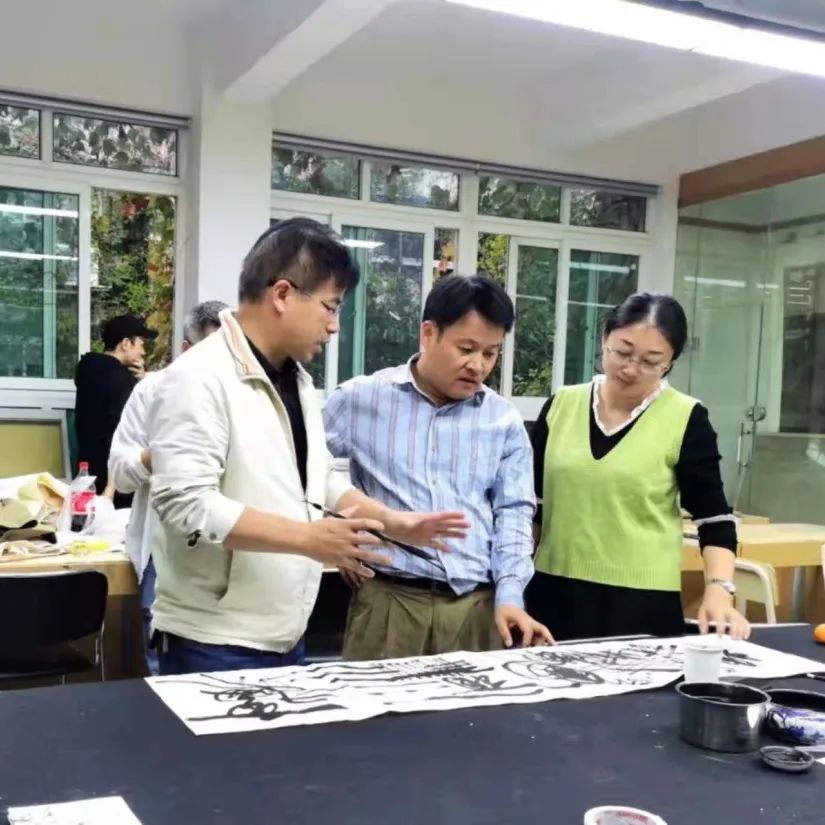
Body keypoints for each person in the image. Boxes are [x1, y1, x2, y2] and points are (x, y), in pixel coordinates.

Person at [147, 218, 468, 675]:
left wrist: (394, 522)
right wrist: (309, 538)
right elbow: (187, 504)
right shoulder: (198, 378)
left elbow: (318, 476)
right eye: (330, 307)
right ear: (282, 294)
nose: (334, 327)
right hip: (215, 639)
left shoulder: (294, 378)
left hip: (285, 631)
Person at [324, 274, 552, 660]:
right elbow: (296, 468)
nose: (477, 366)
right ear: (428, 333)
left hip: (477, 607)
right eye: (466, 348)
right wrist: (337, 533)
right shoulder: (360, 400)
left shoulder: (502, 420)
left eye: (490, 353)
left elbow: (513, 513)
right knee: (376, 701)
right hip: (390, 602)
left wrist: (511, 596)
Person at [526, 292, 750, 642]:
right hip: (553, 594)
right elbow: (533, 507)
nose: (630, 369)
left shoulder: (685, 417)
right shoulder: (561, 405)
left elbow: (714, 521)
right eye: (622, 352)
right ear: (604, 339)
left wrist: (718, 591)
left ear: (670, 362)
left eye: (650, 361)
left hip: (641, 603)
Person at [108, 300, 228, 675]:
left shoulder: (248, 394)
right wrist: (156, 455)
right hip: (165, 556)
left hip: (231, 557)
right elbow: (120, 474)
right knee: (165, 679)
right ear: (187, 350)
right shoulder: (152, 392)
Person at [74, 314, 157, 507]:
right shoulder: (121, 380)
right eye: (141, 344)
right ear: (126, 343)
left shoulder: (87, 369)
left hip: (87, 471)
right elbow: (118, 432)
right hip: (115, 481)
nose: (143, 352)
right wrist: (111, 488)